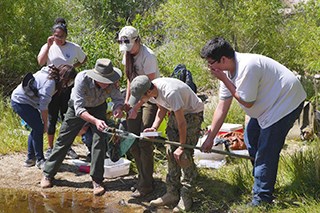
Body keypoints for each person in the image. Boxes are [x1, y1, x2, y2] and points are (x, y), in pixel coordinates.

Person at [200, 37, 306, 206]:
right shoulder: (227, 72)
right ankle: (262, 182)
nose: (210, 68)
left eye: (211, 63)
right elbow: (222, 107)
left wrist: (225, 80)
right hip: (268, 107)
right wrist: (211, 137)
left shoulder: (247, 67)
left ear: (223, 60)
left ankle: (262, 199)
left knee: (266, 150)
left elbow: (246, 101)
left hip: (286, 102)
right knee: (251, 139)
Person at [40, 58, 124, 196]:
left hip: (98, 107)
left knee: (99, 141)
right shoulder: (82, 79)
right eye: (104, 79)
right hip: (77, 108)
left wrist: (118, 108)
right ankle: (48, 174)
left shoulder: (111, 81)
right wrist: (95, 121)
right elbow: (79, 109)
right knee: (64, 140)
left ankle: (97, 180)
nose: (107, 83)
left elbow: (118, 99)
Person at [128, 75, 204, 212]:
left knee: (183, 155)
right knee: (170, 151)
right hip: (177, 112)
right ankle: (172, 193)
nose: (140, 101)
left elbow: (182, 123)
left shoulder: (170, 92)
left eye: (141, 98)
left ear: (148, 92)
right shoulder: (152, 90)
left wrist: (181, 146)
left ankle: (187, 196)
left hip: (192, 114)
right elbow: (162, 108)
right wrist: (154, 127)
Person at [118, 26, 160, 198]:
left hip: (150, 97)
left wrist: (136, 107)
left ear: (138, 40)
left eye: (130, 45)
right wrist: (128, 103)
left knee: (144, 139)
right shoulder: (127, 54)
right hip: (136, 96)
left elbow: (149, 88)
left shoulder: (148, 56)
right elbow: (130, 80)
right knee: (132, 139)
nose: (128, 50)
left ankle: (146, 184)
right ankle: (142, 177)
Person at [37, 17, 87, 159]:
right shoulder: (49, 46)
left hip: (67, 87)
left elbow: (84, 59)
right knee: (52, 117)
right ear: (52, 35)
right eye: (56, 36)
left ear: (66, 35)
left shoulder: (73, 47)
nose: (58, 39)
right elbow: (40, 62)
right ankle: (50, 147)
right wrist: (48, 45)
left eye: (61, 36)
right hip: (51, 86)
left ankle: (67, 147)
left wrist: (72, 68)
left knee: (67, 117)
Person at [11, 65, 77, 169]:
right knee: (39, 128)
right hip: (20, 102)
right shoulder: (50, 84)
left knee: (36, 128)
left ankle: (30, 159)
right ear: (66, 78)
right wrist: (45, 124)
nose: (69, 83)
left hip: (29, 103)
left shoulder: (53, 76)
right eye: (70, 80)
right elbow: (44, 107)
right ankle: (40, 160)